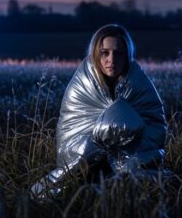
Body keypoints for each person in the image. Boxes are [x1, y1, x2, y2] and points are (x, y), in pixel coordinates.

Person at [31, 24, 167, 198]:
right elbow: (70, 132)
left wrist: (126, 128)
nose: (111, 59)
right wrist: (106, 132)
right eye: (105, 53)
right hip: (89, 163)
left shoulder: (139, 83)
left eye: (118, 53)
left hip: (128, 159)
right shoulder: (82, 85)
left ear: (127, 56)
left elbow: (155, 126)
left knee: (141, 186)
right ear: (96, 54)